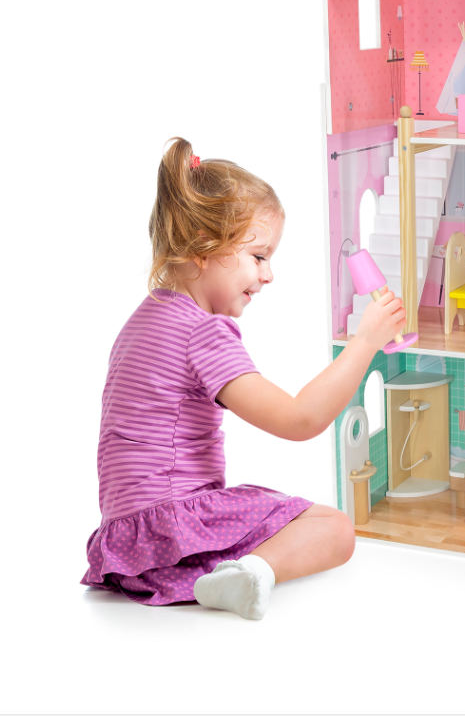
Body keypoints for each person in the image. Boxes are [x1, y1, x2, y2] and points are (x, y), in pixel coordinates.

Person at [81, 138, 406, 620]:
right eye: (259, 256)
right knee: (336, 529)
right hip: (173, 526)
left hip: (129, 546)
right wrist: (366, 341)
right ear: (202, 248)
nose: (269, 274)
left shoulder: (141, 321)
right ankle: (250, 573)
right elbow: (299, 419)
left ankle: (215, 575)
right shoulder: (201, 331)